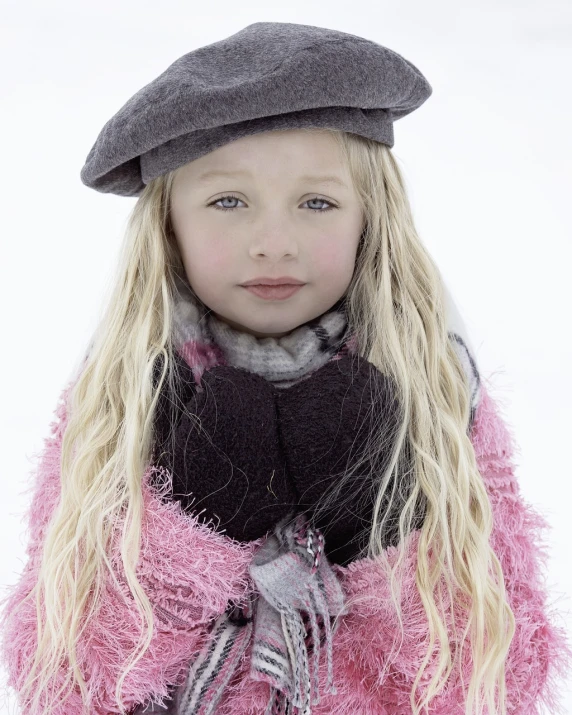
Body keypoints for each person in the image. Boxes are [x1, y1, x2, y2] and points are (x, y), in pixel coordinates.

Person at [1, 21, 570, 715]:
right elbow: (62, 674)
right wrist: (199, 519)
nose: (273, 243)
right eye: (228, 201)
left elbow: (502, 672)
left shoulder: (435, 394)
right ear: (168, 225)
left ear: (372, 217)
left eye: (317, 202)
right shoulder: (120, 400)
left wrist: (377, 533)